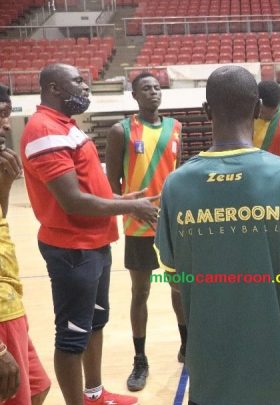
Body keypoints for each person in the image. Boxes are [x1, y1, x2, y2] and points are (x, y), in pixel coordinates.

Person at [154, 65, 280, 405]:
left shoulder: (175, 184)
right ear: (257, 109)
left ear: (206, 111)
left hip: (212, 377)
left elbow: (176, 281)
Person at [20, 63, 158, 405]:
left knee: (95, 322)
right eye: (78, 81)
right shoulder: (44, 130)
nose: (86, 86)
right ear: (54, 88)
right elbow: (72, 201)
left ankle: (94, 393)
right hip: (72, 250)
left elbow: (86, 186)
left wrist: (119, 199)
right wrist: (130, 209)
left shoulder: (64, 127)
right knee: (72, 335)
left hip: (93, 244)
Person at [104, 72, 186, 392]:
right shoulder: (120, 131)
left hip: (172, 223)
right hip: (138, 226)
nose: (153, 92)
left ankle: (187, 345)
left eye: (156, 87)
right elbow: (112, 189)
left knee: (180, 288)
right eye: (145, 89)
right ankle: (140, 359)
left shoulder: (176, 127)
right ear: (134, 96)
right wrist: (130, 209)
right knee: (141, 293)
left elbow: (178, 175)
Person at [0, 84, 51, 405]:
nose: (6, 123)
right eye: (1, 115)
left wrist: (4, 186)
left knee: (39, 388)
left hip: (11, 302)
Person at [253, 80, 280, 160]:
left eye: (274, 112)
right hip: (257, 169)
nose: (269, 116)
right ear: (257, 104)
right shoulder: (247, 116)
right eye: (263, 112)